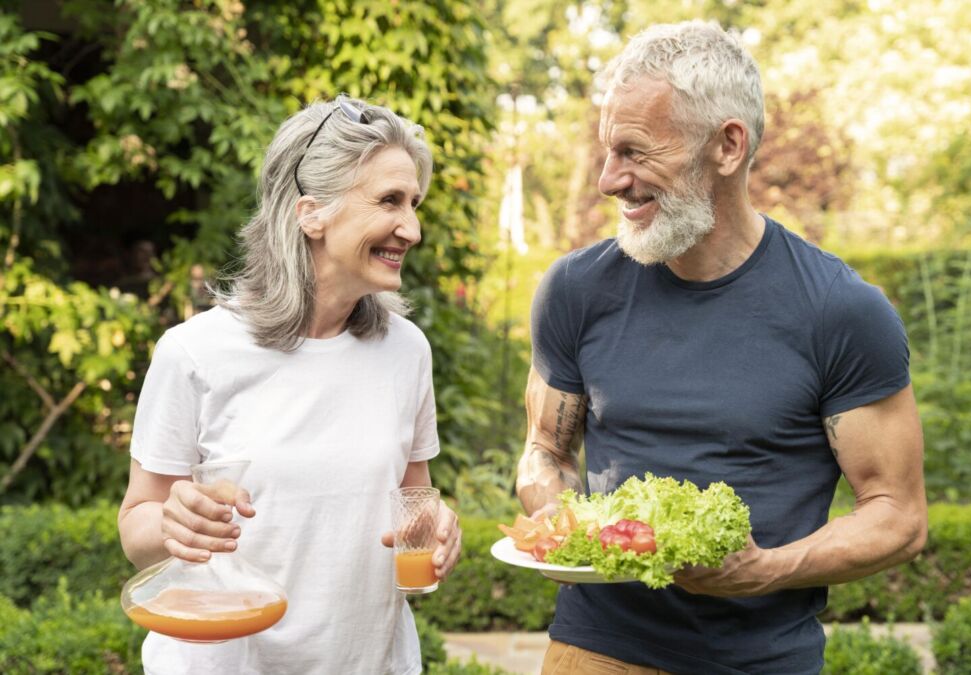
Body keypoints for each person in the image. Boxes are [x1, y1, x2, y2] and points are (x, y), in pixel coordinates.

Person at [516, 21, 927, 675]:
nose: (608, 180)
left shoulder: (840, 310)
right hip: (596, 650)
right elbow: (546, 449)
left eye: (634, 152)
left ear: (728, 146)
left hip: (761, 660)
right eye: (607, 151)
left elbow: (898, 515)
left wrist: (767, 569)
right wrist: (572, 526)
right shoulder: (575, 289)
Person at [117, 95, 461, 674]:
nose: (413, 228)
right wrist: (175, 520)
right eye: (389, 201)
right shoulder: (195, 352)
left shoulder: (406, 351)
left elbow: (413, 501)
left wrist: (437, 525)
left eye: (414, 203)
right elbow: (138, 524)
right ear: (311, 213)